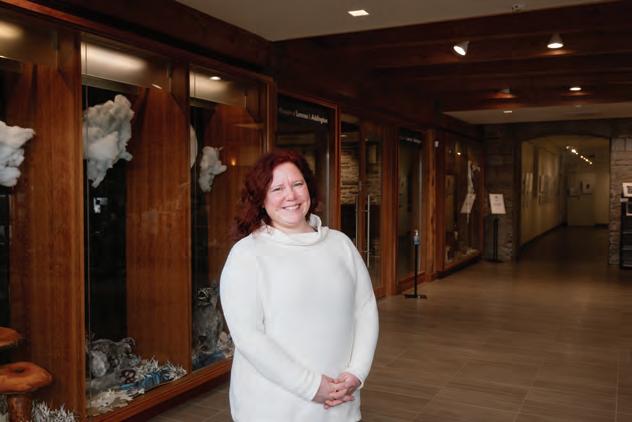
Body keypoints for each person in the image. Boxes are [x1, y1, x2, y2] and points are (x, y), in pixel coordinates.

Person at [220, 150, 379, 421]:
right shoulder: (247, 254)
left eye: (297, 184)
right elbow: (249, 336)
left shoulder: (340, 244)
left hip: (339, 404)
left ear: (309, 187)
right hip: (271, 409)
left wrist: (357, 372)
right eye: (277, 189)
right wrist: (312, 386)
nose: (291, 196)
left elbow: (365, 309)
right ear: (260, 198)